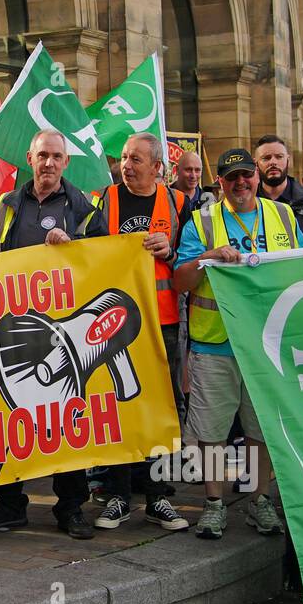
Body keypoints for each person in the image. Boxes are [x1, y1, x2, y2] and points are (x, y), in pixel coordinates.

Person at [173, 148, 303, 541]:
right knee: (211, 432)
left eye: (246, 175)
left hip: (267, 343)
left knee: (262, 429)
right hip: (215, 345)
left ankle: (258, 499)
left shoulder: (282, 215)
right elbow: (180, 283)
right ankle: (214, 505)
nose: (240, 183)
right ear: (220, 182)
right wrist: (207, 257)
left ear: (257, 176)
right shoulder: (201, 221)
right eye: (231, 177)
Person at [0, 130, 106, 540]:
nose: (48, 163)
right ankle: (9, 505)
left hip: (62, 335)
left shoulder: (84, 207)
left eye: (56, 156)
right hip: (10, 331)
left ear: (66, 162)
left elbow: (105, 260)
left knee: (65, 420)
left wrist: (75, 247)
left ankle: (71, 508)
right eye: (42, 155)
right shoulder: (7, 204)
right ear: (29, 158)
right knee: (8, 418)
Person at [86, 133, 192, 534]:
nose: (127, 165)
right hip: (117, 323)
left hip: (164, 323)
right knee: (118, 404)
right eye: (125, 158)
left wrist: (172, 251)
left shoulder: (180, 203)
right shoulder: (105, 200)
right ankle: (118, 494)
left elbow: (198, 257)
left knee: (162, 407)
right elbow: (88, 253)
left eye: (136, 159)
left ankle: (158, 495)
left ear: (158, 167)